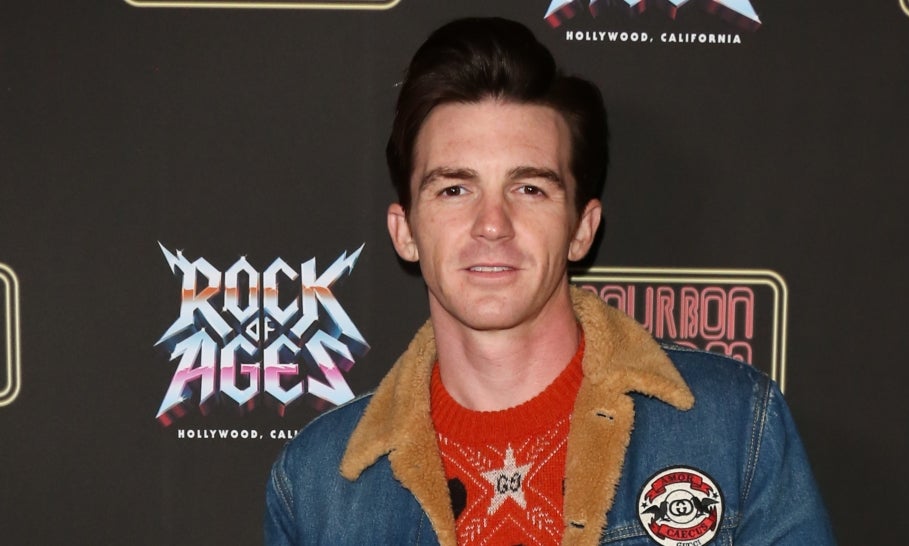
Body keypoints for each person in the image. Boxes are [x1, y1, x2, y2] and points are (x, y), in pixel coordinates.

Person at [265, 17, 835, 546]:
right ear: (406, 231)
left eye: (529, 189)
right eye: (455, 189)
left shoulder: (734, 427)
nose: (492, 224)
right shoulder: (316, 485)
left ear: (581, 229)